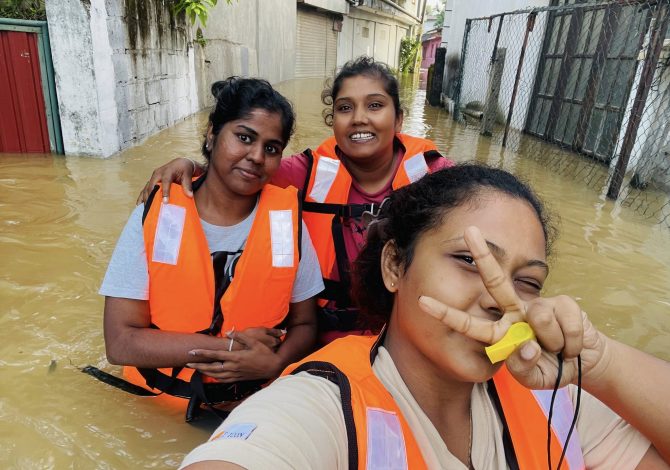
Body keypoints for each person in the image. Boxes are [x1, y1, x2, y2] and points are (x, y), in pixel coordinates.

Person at [178, 164, 669, 469]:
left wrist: (600, 363)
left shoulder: (554, 397)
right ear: (395, 265)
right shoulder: (322, 407)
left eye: (528, 282)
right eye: (469, 260)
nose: (501, 299)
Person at [136, 56, 454, 344]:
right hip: (325, 339)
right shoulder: (306, 172)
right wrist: (191, 165)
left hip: (407, 337)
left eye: (375, 105)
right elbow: (239, 170)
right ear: (332, 120)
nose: (359, 118)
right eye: (345, 108)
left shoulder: (438, 176)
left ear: (398, 119)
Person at [100, 77, 324, 421]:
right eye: (244, 137)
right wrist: (232, 350)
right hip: (156, 408)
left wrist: (275, 362)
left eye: (272, 148)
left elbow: (306, 324)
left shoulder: (286, 222)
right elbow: (119, 343)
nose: (256, 156)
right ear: (211, 134)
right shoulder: (159, 211)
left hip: (252, 411)